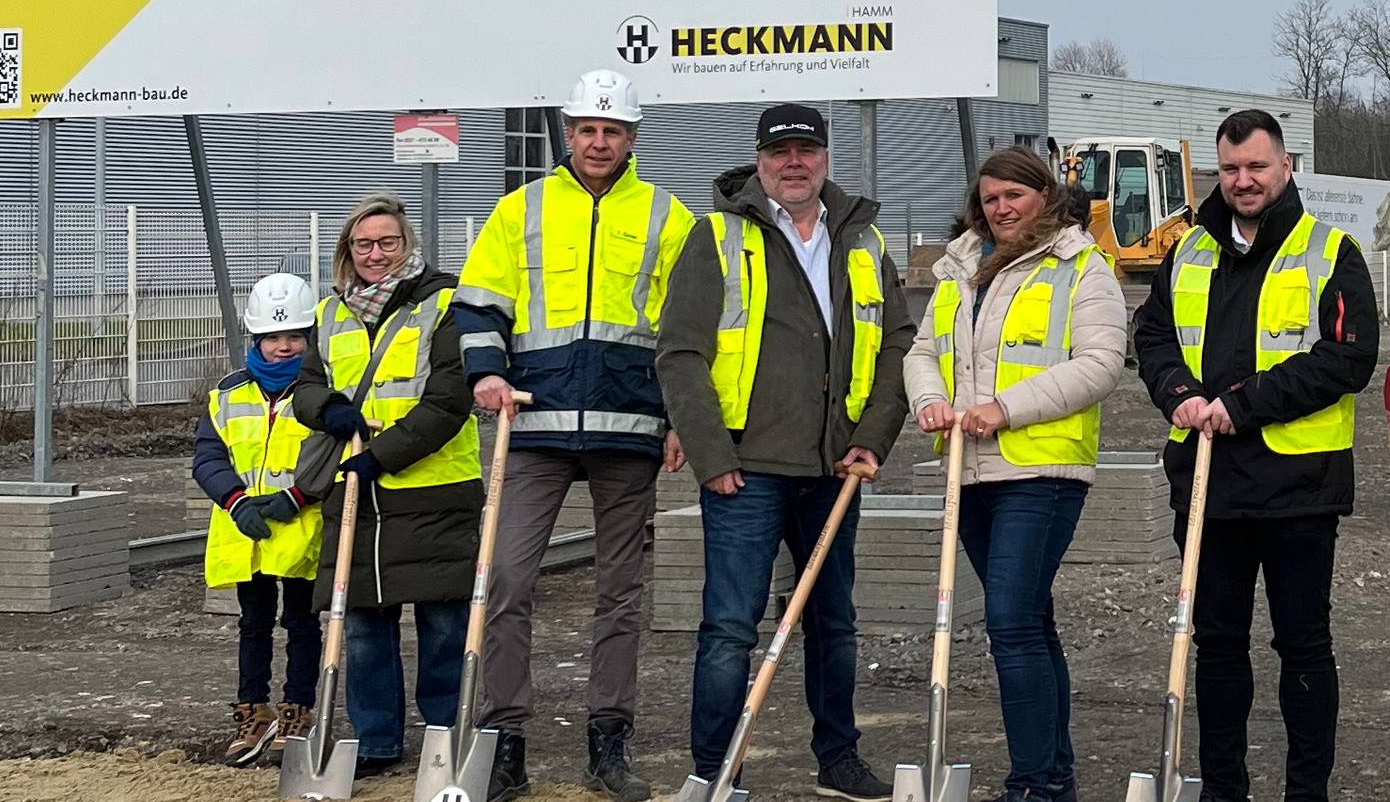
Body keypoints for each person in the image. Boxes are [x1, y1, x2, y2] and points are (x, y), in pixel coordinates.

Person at [453, 69, 698, 801]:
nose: (599, 141)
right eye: (588, 129)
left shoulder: (667, 215)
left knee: (621, 593)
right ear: (568, 133)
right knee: (506, 582)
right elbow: (478, 305)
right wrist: (487, 376)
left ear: (632, 137)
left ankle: (609, 745)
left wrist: (683, 414)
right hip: (531, 423)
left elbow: (689, 327)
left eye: (612, 130)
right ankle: (504, 744)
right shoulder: (520, 209)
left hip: (631, 426)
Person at [655, 104, 910, 802]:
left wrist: (871, 438)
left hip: (835, 468)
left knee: (835, 624)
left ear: (825, 156)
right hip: (744, 470)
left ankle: (839, 758)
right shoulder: (717, 236)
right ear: (759, 160)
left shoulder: (862, 241)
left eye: (806, 149)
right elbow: (680, 354)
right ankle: (716, 771)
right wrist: (711, 456)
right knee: (729, 629)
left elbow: (896, 346)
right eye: (780, 152)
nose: (793, 162)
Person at [1130, 109, 1378, 802]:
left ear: (1286, 166)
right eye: (1231, 169)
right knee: (1217, 645)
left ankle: (1307, 790)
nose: (1243, 181)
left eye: (1256, 167)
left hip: (1299, 488)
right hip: (1208, 489)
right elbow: (1150, 338)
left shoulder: (1330, 251)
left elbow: (1348, 358)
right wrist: (1177, 392)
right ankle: (1223, 788)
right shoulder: (1189, 250)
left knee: (1303, 647)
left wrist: (1244, 403)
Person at [901, 147, 1127, 802]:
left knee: (1008, 618)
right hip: (969, 472)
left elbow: (1101, 363)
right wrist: (930, 401)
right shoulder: (961, 270)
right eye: (991, 198)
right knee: (1029, 617)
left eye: (1014, 196)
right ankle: (1053, 771)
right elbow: (922, 351)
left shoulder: (1080, 267)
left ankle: (1032, 783)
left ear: (1043, 196)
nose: (1001, 208)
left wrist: (1004, 409)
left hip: (1041, 468)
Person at [288, 193, 481, 781]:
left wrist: (380, 456)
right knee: (364, 625)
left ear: (408, 244)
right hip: (358, 497)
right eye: (363, 244)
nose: (375, 254)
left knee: (443, 624)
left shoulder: (447, 303)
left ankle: (446, 737)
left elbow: (450, 400)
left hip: (433, 492)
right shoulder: (329, 314)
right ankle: (375, 740)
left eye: (387, 242)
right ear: (349, 250)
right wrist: (330, 412)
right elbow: (304, 387)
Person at [192, 272, 326, 768]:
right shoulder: (227, 394)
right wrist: (234, 501)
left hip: (299, 532)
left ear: (309, 339)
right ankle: (253, 712)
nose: (283, 347)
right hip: (245, 533)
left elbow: (330, 455)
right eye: (273, 337)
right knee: (252, 624)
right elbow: (208, 457)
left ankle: (298, 711)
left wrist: (297, 496)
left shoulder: (321, 394)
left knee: (302, 623)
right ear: (256, 339)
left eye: (294, 336)